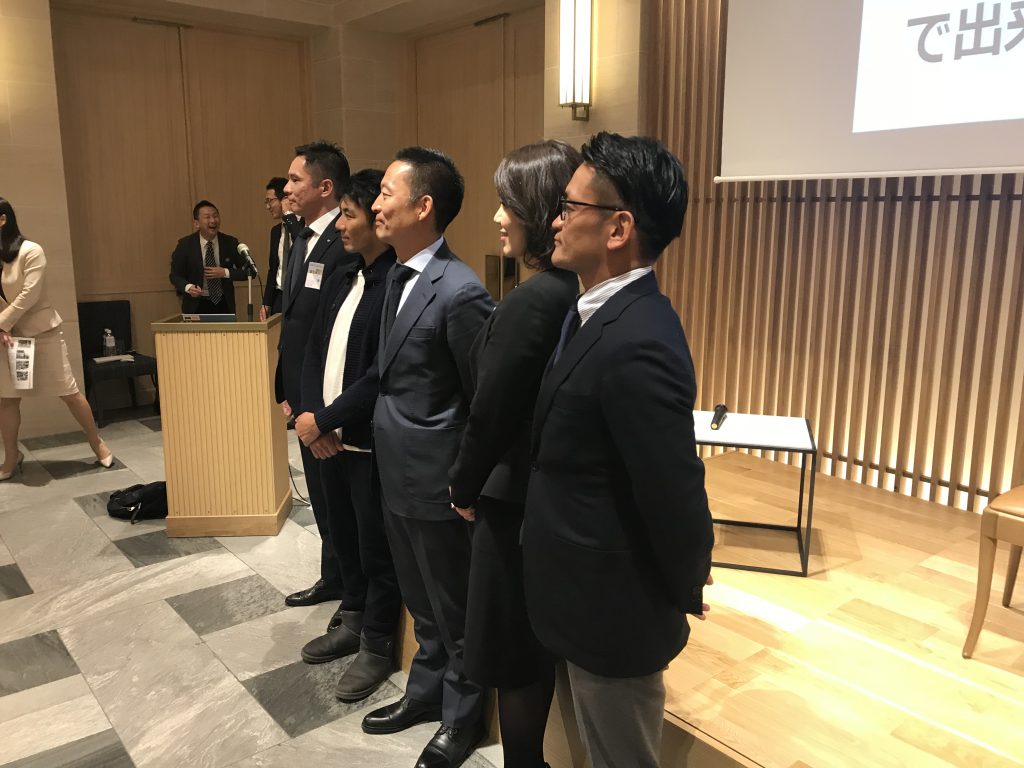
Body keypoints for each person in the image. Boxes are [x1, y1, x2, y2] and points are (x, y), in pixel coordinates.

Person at [521, 132, 715, 768]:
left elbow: (671, 486)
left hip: (614, 607)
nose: (555, 220)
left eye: (569, 207)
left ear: (618, 228)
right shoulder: (593, 311)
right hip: (578, 593)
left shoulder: (640, 338)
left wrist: (687, 578)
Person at [358, 148, 494, 768]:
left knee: (455, 607)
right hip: (394, 470)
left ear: (423, 206)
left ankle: (462, 721)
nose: (375, 204)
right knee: (421, 600)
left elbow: (481, 399)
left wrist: (465, 482)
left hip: (438, 480)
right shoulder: (394, 275)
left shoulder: (460, 291)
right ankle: (425, 692)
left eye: (387, 193)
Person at [448, 141, 581, 768]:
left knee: (513, 652)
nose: (498, 217)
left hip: (509, 501)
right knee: (533, 645)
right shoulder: (576, 291)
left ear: (539, 209)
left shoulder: (534, 300)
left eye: (508, 204)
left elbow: (490, 414)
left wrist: (461, 486)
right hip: (547, 497)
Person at [294, 169, 402, 702]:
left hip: (363, 437)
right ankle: (352, 616)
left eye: (349, 214)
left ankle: (377, 644)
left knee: (374, 544)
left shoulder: (395, 283)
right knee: (343, 536)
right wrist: (312, 417)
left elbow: (381, 373)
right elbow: (314, 349)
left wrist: (328, 418)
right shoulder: (342, 274)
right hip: (329, 434)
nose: (340, 224)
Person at [276, 140, 358, 616]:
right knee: (322, 498)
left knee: (335, 498)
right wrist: (285, 385)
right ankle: (334, 577)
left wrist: (317, 409)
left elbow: (330, 336)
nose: (286, 189)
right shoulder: (301, 236)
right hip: (302, 389)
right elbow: (295, 320)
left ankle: (349, 587)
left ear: (325, 187)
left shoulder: (342, 244)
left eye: (294, 180)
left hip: (324, 398)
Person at [0, 197, 113, 480]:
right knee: (7, 399)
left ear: (2, 220)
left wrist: (2, 323)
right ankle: (11, 456)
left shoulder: (31, 251)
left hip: (42, 334)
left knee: (69, 393)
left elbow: (29, 295)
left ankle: (96, 442)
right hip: (9, 340)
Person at [168, 200, 247, 314]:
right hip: (196, 304)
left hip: (223, 303)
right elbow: (175, 275)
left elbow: (249, 271)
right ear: (197, 223)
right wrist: (188, 287)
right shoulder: (185, 245)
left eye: (215, 216)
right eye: (207, 217)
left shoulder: (230, 242)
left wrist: (225, 272)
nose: (213, 220)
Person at [260, 177, 304, 319]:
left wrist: (289, 216)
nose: (267, 207)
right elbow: (273, 269)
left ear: (285, 200)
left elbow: (302, 245)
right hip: (279, 296)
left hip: (298, 294)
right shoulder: (275, 231)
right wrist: (266, 302)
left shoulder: (304, 225)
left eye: (270, 201)